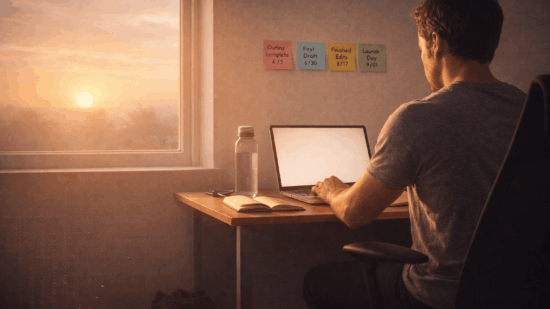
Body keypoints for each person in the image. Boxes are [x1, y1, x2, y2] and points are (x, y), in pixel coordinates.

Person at [303, 0, 527, 308]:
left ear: (435, 42)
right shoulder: (532, 110)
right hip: (522, 290)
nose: (423, 58)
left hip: (439, 294)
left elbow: (356, 214)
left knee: (317, 281)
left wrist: (334, 190)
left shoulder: (418, 117)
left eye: (421, 49)